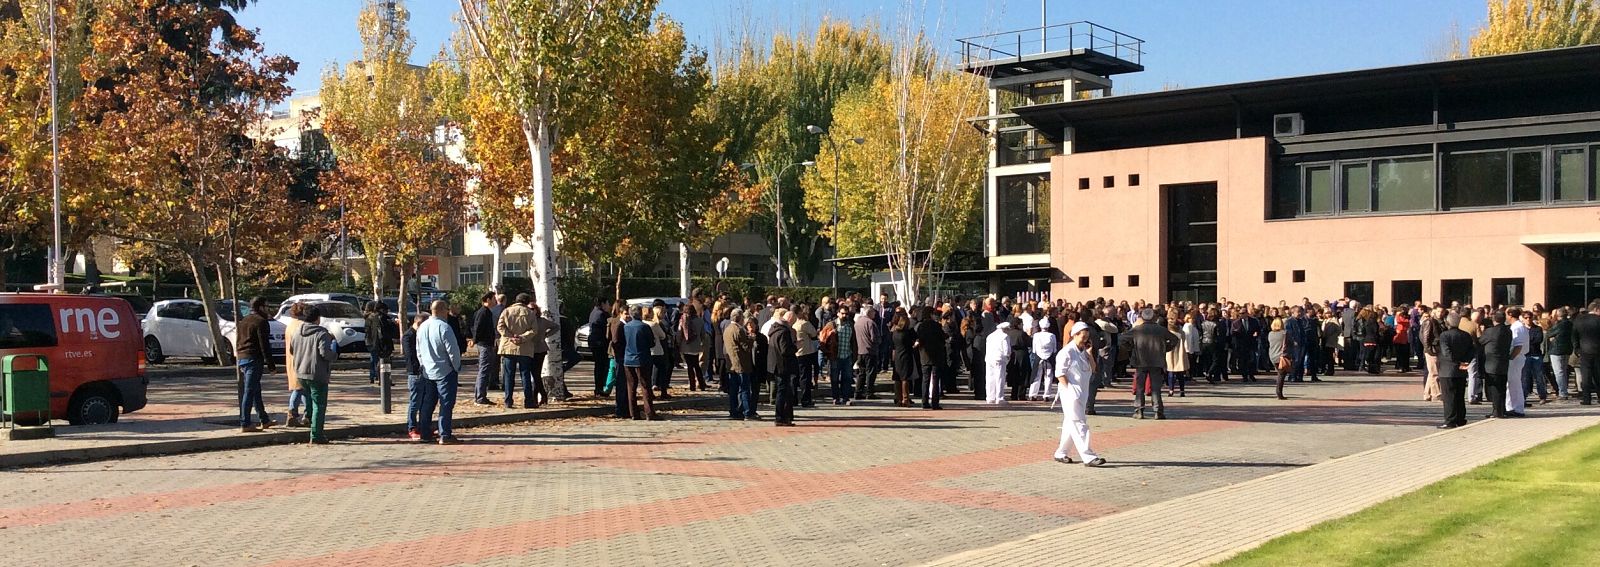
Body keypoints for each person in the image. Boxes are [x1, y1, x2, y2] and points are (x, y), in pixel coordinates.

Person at [1053, 321, 1107, 467]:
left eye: (1087, 337)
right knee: (1079, 424)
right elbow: (1060, 374)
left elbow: (1094, 369)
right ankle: (1088, 456)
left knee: (1070, 423)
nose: (1085, 340)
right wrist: (1070, 391)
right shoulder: (1066, 352)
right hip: (1070, 394)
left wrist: (1089, 354)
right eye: (1083, 337)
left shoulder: (1083, 352)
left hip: (1082, 393)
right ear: (1075, 335)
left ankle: (1061, 452)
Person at [287, 302, 338, 444]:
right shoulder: (322, 333)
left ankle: (308, 421)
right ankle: (316, 434)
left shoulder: (297, 331)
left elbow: (292, 350)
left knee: (310, 399)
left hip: (300, 372)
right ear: (318, 318)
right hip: (317, 373)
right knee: (319, 405)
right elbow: (325, 353)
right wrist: (335, 353)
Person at [416, 300, 463, 444]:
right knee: (446, 403)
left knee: (428, 403)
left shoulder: (422, 327)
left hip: (428, 370)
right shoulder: (444, 327)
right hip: (445, 371)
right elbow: (453, 351)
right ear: (443, 310)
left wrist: (423, 365)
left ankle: (425, 433)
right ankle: (445, 434)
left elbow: (418, 350)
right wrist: (456, 367)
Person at [498, 294, 555, 409]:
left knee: (509, 376)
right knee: (526, 375)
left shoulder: (506, 311)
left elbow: (500, 327)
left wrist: (511, 336)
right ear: (527, 302)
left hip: (509, 347)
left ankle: (508, 401)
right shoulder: (530, 313)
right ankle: (528, 401)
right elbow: (534, 330)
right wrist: (522, 337)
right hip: (525, 348)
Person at [1122, 308, 1178, 419]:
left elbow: (1122, 339)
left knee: (1140, 388)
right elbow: (1174, 339)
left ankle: (1139, 411)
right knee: (1156, 388)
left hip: (1140, 361)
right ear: (1154, 318)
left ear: (1142, 317)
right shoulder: (1160, 330)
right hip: (1156, 361)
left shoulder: (1137, 330)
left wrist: (1132, 348)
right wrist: (1165, 348)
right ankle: (1158, 411)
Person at [235, 296, 277, 433]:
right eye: (266, 306)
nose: (268, 309)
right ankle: (245, 422)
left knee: (255, 389)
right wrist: (271, 365)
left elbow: (238, 340)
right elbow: (264, 345)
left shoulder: (244, 321)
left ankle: (264, 419)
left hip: (242, 357)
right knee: (250, 390)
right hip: (253, 358)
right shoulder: (261, 322)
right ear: (260, 307)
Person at [1436, 313, 1475, 429]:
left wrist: (1457, 362)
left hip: (1447, 370)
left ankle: (1450, 420)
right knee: (1459, 396)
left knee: (1449, 397)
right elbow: (1472, 350)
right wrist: (1465, 361)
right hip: (1461, 369)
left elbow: (1446, 352)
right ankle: (1460, 418)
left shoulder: (1444, 336)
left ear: (1447, 323)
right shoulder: (1466, 335)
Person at [621, 305, 659, 420]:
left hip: (628, 359)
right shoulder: (644, 327)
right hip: (642, 359)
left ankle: (634, 413)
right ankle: (649, 413)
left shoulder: (626, 327)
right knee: (645, 386)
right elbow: (651, 343)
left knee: (631, 387)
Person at [402, 314, 434, 440]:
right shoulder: (409, 335)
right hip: (415, 372)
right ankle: (412, 427)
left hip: (424, 371)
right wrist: (418, 368)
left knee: (423, 402)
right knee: (415, 402)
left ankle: (423, 426)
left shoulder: (420, 334)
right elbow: (410, 355)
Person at [723, 310, 758, 420]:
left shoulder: (727, 329)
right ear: (739, 318)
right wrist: (752, 339)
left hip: (731, 364)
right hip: (741, 363)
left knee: (733, 390)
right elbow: (746, 347)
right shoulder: (739, 330)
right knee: (744, 389)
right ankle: (747, 412)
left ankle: (734, 411)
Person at [1478, 310, 1514, 419]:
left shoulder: (1490, 331)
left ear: (1494, 320)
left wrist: (1480, 330)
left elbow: (1480, 341)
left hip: (1492, 364)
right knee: (1502, 388)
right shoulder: (1508, 331)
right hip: (1503, 362)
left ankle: (1497, 412)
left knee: (1495, 389)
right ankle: (1501, 410)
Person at [767, 310, 798, 426]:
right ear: (789, 320)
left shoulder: (774, 329)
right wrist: (795, 347)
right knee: (783, 391)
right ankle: (780, 417)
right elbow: (785, 350)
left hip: (775, 364)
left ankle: (783, 416)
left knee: (783, 390)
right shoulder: (784, 331)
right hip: (782, 365)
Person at [469, 292, 500, 405]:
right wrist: (474, 339)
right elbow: (477, 327)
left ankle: (480, 395)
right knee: (484, 369)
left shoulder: (486, 312)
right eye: (493, 299)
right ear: (488, 299)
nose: (495, 301)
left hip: (486, 343)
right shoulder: (483, 312)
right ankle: (480, 396)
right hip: (484, 344)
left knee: (484, 369)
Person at [915, 306, 947, 410]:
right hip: (936, 356)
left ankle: (924, 402)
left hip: (924, 355)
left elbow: (919, 339)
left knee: (925, 379)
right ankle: (935, 402)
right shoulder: (936, 326)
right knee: (935, 379)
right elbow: (943, 337)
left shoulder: (920, 326)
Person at [1573, 300, 1600, 405]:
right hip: (1598, 351)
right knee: (1598, 375)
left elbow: (1574, 335)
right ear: (1596, 309)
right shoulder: (1598, 320)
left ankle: (1586, 398)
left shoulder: (1579, 320)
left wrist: (1577, 348)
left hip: (1584, 350)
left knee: (1586, 375)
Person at [827, 307, 856, 405]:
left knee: (847, 378)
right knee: (834, 378)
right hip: (835, 356)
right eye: (843, 313)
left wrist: (855, 356)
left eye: (847, 314)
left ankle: (846, 397)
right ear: (838, 313)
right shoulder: (832, 324)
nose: (845, 316)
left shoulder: (850, 325)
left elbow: (854, 341)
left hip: (847, 355)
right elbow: (823, 339)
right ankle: (836, 397)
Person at [889, 312, 918, 407]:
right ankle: (905, 399)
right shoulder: (905, 334)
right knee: (905, 378)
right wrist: (915, 345)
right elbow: (910, 345)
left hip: (897, 356)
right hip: (905, 356)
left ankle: (898, 398)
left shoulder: (895, 333)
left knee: (897, 378)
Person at [983, 319, 1014, 404]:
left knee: (990, 378)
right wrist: (1008, 358)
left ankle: (990, 397)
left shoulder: (990, 336)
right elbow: (1006, 350)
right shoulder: (1004, 336)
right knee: (1000, 378)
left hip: (989, 358)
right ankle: (999, 398)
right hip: (999, 359)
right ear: (1005, 329)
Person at [1028, 318, 1060, 401]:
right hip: (1049, 357)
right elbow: (1054, 349)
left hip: (1038, 357)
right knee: (1048, 376)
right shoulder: (1052, 336)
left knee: (1036, 376)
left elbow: (1034, 349)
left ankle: (1032, 394)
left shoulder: (1036, 335)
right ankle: (1046, 395)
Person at [363, 301, 394, 385]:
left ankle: (373, 376)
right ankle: (378, 376)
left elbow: (367, 330)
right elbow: (379, 331)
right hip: (375, 341)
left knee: (373, 359)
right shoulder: (376, 317)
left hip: (370, 341)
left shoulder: (368, 317)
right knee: (377, 360)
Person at [1506, 307, 1529, 416]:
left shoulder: (1517, 327)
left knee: (1514, 383)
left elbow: (1518, 346)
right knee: (1512, 383)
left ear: (1510, 315)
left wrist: (1510, 357)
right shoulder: (1518, 326)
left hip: (1515, 358)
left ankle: (1517, 408)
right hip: (1517, 357)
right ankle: (1511, 407)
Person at [793, 309, 819, 408]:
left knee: (795, 377)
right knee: (805, 377)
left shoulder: (792, 324)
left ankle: (794, 399)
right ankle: (806, 399)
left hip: (795, 353)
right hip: (805, 352)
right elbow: (813, 334)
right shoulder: (804, 324)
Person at [645, 305, 672, 399]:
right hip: (658, 349)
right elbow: (663, 336)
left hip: (647, 351)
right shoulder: (655, 324)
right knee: (662, 369)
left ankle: (651, 389)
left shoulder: (643, 323)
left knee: (649, 371)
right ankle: (663, 391)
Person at [854, 307, 880, 400]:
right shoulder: (871, 323)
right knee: (870, 372)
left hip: (860, 350)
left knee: (861, 372)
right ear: (869, 313)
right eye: (873, 312)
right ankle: (869, 392)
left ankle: (858, 391)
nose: (875, 314)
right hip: (870, 351)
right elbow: (874, 338)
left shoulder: (857, 322)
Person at [679, 304, 708, 391]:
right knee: (696, 365)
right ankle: (702, 384)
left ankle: (692, 385)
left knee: (690, 367)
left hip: (686, 346)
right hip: (696, 346)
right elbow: (703, 334)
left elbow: (679, 333)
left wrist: (678, 343)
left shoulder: (683, 321)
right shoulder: (699, 321)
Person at [1547, 307, 1574, 401]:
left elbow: (1549, 333)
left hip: (1557, 349)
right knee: (1563, 370)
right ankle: (1564, 391)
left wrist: (1552, 336)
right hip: (1567, 349)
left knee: (1558, 372)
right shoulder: (1570, 323)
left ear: (1558, 315)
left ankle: (1563, 392)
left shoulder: (1559, 324)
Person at [1166, 312, 1190, 397]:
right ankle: (1182, 390)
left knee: (1171, 373)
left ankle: (1171, 390)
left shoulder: (1168, 333)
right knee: (1180, 374)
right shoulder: (1181, 332)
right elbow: (1184, 339)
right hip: (1180, 353)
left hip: (1170, 353)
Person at [1268, 317, 1289, 400]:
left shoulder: (1270, 333)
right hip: (1281, 356)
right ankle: (1279, 393)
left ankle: (1279, 392)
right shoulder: (1284, 333)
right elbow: (1289, 343)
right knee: (1281, 375)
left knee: (1280, 373)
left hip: (1272, 355)